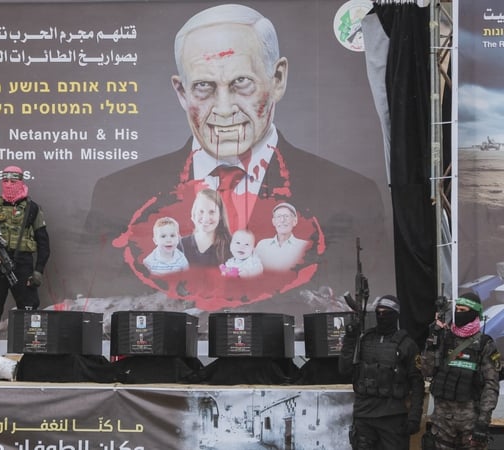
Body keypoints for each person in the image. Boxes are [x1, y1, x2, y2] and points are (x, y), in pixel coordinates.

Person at [80, 3, 387, 310]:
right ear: (181, 92)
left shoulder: (352, 196)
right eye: (203, 86)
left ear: (277, 79)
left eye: (241, 83)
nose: (224, 109)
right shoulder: (117, 196)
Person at [0, 166, 50, 353]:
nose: (9, 185)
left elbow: (44, 244)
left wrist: (38, 271)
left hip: (22, 265)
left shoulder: (32, 209)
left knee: (28, 311)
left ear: (21, 181)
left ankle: (30, 355)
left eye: (13, 181)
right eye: (5, 181)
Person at [338, 295, 425, 450]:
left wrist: (414, 417)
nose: (381, 316)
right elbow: (344, 370)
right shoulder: (365, 339)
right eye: (378, 312)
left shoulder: (407, 344)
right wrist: (351, 338)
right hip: (364, 416)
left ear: (396, 315)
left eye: (387, 313)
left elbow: (417, 384)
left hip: (392, 418)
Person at [421, 292, 501, 449]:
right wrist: (432, 341)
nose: (458, 313)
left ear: (474, 313)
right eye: (456, 309)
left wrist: (483, 422)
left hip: (470, 424)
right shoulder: (444, 338)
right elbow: (427, 371)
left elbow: (491, 386)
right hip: (442, 423)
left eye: (463, 310)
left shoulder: (484, 344)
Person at [180, 189, 232, 266]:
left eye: (212, 212)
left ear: (220, 215)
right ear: (194, 213)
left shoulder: (233, 246)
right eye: (201, 211)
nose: (205, 218)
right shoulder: (181, 245)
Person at [255, 202, 310, 272]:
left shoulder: (305, 246)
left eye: (286, 216)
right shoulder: (262, 245)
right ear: (273, 222)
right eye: (278, 216)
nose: (282, 220)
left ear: (295, 221)